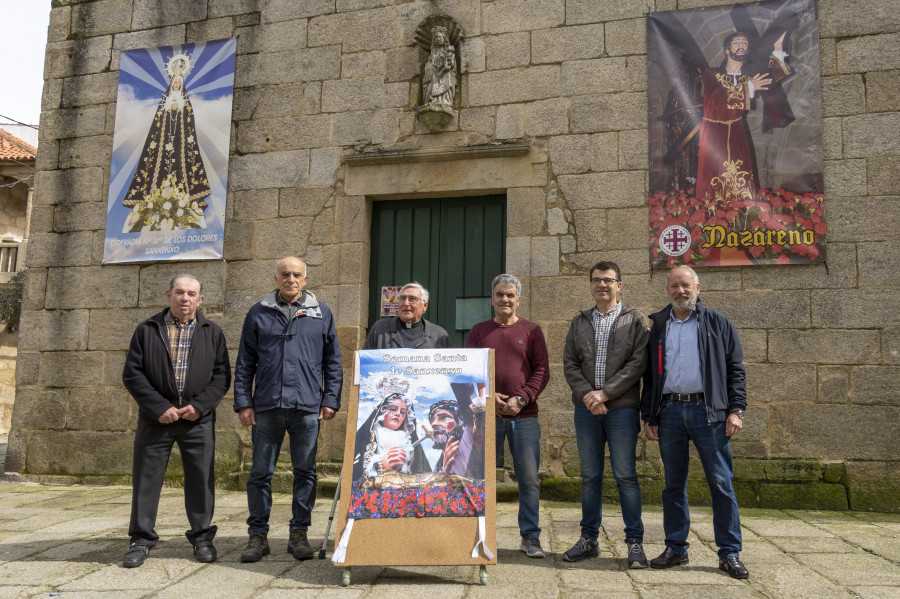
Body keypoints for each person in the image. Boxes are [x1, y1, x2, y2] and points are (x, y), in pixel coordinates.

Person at [641, 265, 749, 579]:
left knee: (721, 484)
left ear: (697, 287)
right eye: (674, 286)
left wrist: (735, 410)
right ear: (668, 291)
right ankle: (676, 547)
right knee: (673, 485)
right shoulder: (659, 327)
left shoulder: (718, 323)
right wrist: (650, 415)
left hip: (710, 413)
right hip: (670, 412)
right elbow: (651, 376)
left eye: (685, 285)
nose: (680, 291)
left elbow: (735, 369)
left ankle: (729, 553)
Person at [234, 257, 343, 563]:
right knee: (260, 473)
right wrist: (244, 401)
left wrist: (330, 399)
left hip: (306, 407)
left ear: (305, 279)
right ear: (276, 278)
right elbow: (245, 363)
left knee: (305, 472)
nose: (290, 279)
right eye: (285, 274)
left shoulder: (321, 314)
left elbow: (333, 362)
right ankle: (257, 536)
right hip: (267, 406)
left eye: (296, 274)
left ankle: (299, 534)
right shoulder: (258, 313)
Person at [121, 275, 231, 568]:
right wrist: (159, 407)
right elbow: (133, 374)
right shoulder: (146, 330)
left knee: (201, 480)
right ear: (168, 294)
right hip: (156, 420)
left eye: (191, 293)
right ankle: (141, 540)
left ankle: (202, 538)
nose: (185, 298)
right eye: (179, 292)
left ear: (200, 300)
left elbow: (221, 376)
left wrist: (199, 406)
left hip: (197, 421)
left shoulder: (212, 332)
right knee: (146, 480)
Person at [562, 261, 649, 567]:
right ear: (590, 285)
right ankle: (588, 540)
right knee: (590, 477)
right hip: (587, 410)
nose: (602, 285)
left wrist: (606, 393)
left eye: (608, 280)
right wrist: (589, 396)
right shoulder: (580, 321)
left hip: (622, 410)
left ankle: (635, 543)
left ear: (619, 285)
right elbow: (570, 363)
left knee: (625, 475)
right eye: (596, 280)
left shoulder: (635, 320)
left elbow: (638, 363)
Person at [466, 274, 550, 557]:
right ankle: (480, 536)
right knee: (480, 477)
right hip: (485, 415)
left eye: (510, 295)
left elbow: (541, 371)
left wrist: (522, 398)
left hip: (524, 417)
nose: (505, 299)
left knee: (527, 479)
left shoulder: (532, 331)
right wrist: (489, 396)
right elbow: (470, 372)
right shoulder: (478, 332)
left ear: (518, 299)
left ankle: (530, 538)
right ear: (492, 298)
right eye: (500, 294)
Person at [695, 31, 791, 204]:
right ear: (727, 50)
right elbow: (716, 100)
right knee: (713, 180)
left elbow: (772, 78)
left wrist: (777, 48)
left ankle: (742, 216)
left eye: (745, 43)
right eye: (737, 42)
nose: (741, 46)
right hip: (713, 134)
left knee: (742, 179)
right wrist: (748, 87)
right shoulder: (711, 74)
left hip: (737, 131)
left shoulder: (747, 78)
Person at [122, 52, 211, 232]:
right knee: (157, 166)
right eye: (175, 82)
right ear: (172, 84)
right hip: (162, 145)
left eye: (179, 83)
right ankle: (151, 199)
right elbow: (157, 125)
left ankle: (184, 201)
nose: (177, 84)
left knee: (181, 166)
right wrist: (169, 110)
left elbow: (188, 125)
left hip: (179, 143)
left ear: (182, 84)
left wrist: (179, 110)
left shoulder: (186, 102)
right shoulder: (164, 101)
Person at [352, 379, 430, 482]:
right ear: (382, 411)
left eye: (403, 412)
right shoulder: (370, 435)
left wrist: (400, 468)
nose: (398, 414)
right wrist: (381, 465)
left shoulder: (407, 439)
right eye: (393, 409)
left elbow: (417, 472)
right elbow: (356, 467)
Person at [363, 282, 451, 349]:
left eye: (412, 299)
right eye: (402, 298)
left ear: (425, 306)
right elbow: (366, 364)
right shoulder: (380, 329)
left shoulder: (439, 334)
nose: (406, 303)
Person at [429, 383, 486, 480]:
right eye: (432, 420)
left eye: (443, 418)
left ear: (462, 424)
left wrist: (482, 391)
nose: (433, 424)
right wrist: (445, 472)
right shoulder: (439, 463)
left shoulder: (474, 443)